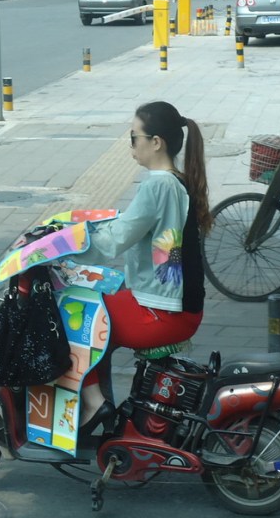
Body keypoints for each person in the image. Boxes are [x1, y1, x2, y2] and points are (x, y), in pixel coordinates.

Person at [68, 101, 211, 436]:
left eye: (134, 137)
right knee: (97, 303)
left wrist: (66, 245)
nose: (131, 144)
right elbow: (132, 225)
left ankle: (94, 403)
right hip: (174, 306)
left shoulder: (157, 185)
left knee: (76, 316)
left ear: (156, 142)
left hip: (161, 312)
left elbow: (116, 240)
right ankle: (101, 404)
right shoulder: (176, 181)